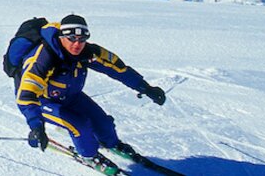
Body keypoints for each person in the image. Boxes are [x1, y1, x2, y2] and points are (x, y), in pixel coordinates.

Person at [15, 14, 167, 175]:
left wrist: (146, 88)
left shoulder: (89, 52)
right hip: (43, 101)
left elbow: (118, 69)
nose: (77, 44)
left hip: (71, 96)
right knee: (80, 126)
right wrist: (36, 126)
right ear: (61, 37)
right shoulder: (44, 58)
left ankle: (111, 143)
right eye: (72, 38)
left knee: (104, 124)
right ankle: (88, 155)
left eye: (82, 39)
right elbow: (27, 95)